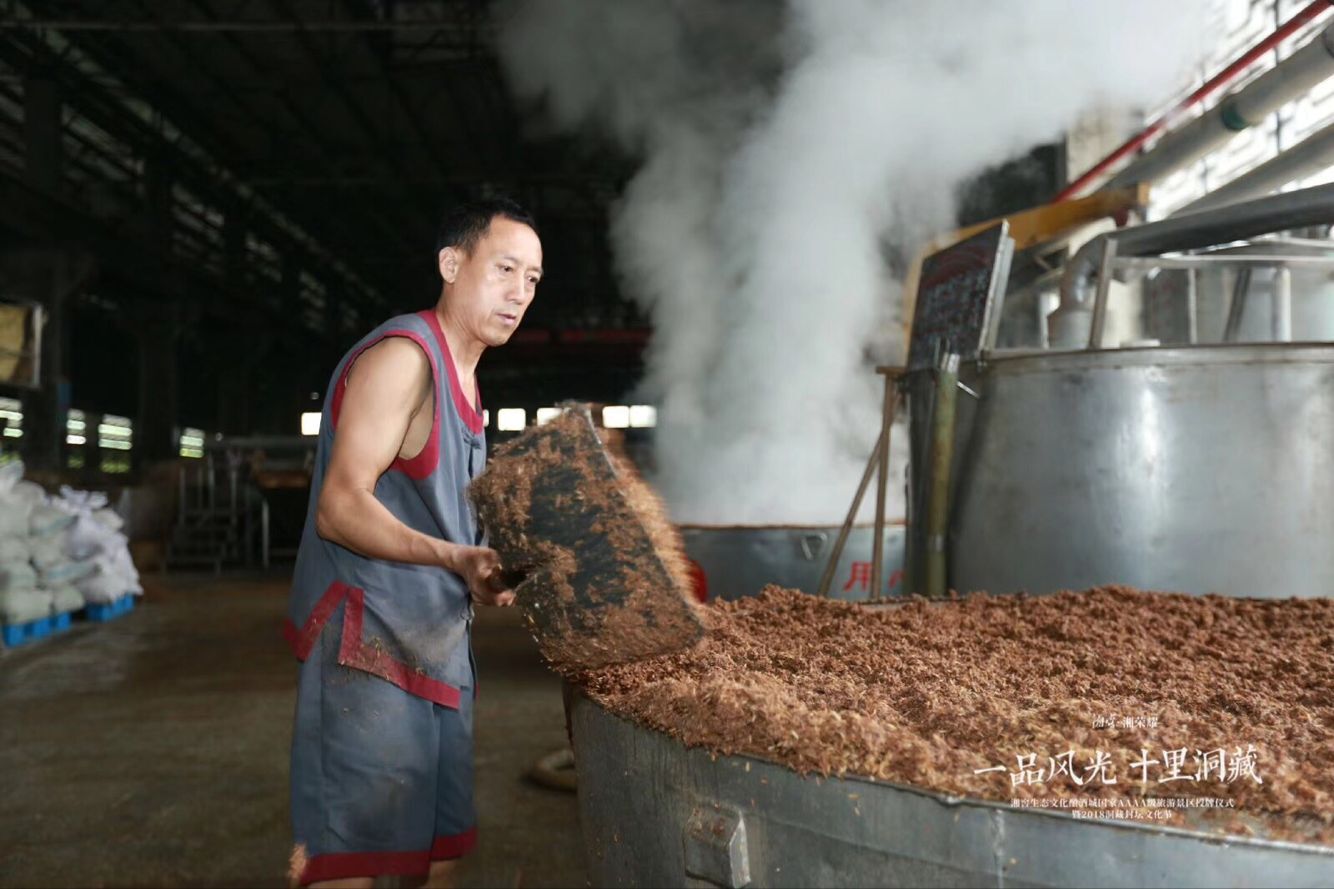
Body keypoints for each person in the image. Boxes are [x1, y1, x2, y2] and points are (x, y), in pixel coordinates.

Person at [283, 197, 543, 888]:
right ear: (452, 263)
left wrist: (480, 566)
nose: (520, 291)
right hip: (368, 643)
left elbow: (438, 517)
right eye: (505, 268)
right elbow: (340, 507)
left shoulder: (468, 378)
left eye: (534, 279)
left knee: (440, 848)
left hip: (433, 642)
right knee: (356, 854)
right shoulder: (406, 357)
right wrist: (453, 557)